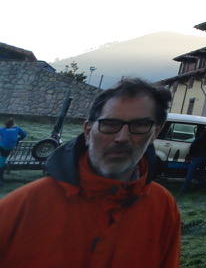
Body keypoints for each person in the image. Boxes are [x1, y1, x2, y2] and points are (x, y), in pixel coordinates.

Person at [0, 78, 180, 267]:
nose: (122, 138)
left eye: (139, 126)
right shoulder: (24, 206)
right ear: (87, 131)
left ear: (155, 133)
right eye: (110, 124)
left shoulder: (162, 206)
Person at [180, 124, 206, 194]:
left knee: (190, 173)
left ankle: (184, 190)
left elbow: (192, 148)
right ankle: (201, 188)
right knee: (201, 173)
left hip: (197, 158)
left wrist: (190, 156)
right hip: (205, 158)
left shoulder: (198, 140)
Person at [0, 119, 28, 184]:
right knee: (3, 159)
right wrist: (17, 140)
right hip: (10, 147)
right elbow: (24, 135)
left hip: (3, 147)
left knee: (2, 161)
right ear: (13, 124)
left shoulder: (2, 129)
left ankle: (0, 180)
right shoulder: (17, 128)